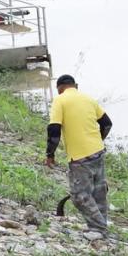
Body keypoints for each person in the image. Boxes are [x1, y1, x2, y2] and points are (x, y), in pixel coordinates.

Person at [45, 74, 113, 237]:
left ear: (60, 88)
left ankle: (99, 228)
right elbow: (107, 124)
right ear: (76, 86)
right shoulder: (88, 99)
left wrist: (50, 154)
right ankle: (100, 225)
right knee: (99, 192)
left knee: (79, 196)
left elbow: (54, 130)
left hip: (80, 156)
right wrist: (97, 140)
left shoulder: (60, 100)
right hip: (98, 151)